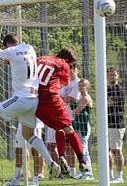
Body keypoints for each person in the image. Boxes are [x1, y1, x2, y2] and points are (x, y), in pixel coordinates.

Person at [0, 34, 60, 180]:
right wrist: (3, 52)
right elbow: (12, 57)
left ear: (8, 45)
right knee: (28, 135)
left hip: (20, 99)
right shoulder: (30, 49)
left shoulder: (10, 52)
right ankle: (51, 163)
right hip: (33, 100)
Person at [35, 47, 88, 175]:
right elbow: (65, 82)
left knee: (58, 128)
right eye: (71, 65)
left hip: (35, 101)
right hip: (51, 99)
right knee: (69, 129)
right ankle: (82, 161)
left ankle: (61, 156)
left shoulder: (41, 58)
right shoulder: (62, 64)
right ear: (67, 60)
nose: (71, 67)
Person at [71, 78, 94, 180]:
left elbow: (76, 111)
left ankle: (88, 173)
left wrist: (74, 108)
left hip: (84, 126)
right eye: (79, 85)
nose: (80, 87)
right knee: (80, 149)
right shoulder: (80, 97)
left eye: (83, 86)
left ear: (87, 87)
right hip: (78, 125)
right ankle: (83, 171)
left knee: (84, 149)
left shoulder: (86, 98)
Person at [107, 67, 125, 183]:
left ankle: (119, 176)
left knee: (117, 150)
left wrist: (106, 101)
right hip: (106, 123)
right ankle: (109, 175)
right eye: (109, 75)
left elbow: (109, 103)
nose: (111, 76)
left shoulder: (119, 90)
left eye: (114, 74)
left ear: (117, 76)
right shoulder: (107, 89)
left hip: (117, 123)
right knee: (107, 150)